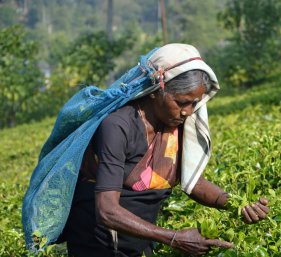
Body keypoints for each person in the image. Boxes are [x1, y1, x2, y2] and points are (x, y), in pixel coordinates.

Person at [63, 43, 269, 257]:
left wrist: (239, 205)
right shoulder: (118, 126)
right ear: (155, 91)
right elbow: (106, 210)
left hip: (142, 240)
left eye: (193, 104)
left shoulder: (175, 125)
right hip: (97, 243)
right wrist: (174, 238)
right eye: (181, 102)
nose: (187, 112)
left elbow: (192, 181)